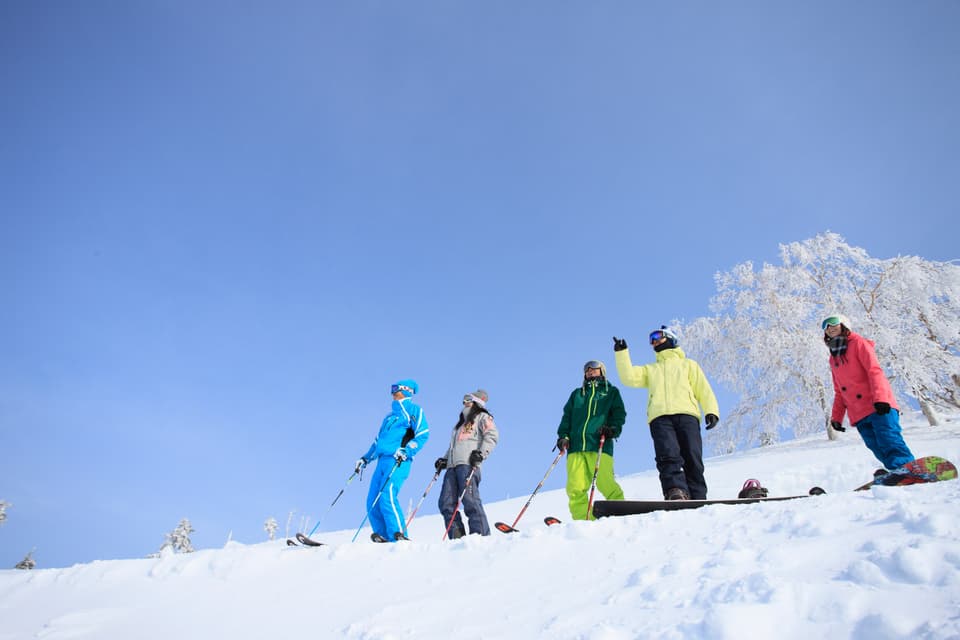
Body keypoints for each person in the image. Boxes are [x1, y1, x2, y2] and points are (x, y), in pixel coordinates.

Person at [613, 328, 719, 501]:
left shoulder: (688, 364)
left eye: (656, 337)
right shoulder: (651, 369)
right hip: (660, 417)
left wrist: (711, 410)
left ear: (671, 338)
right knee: (668, 456)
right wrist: (621, 353)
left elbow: (703, 389)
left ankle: (698, 495)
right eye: (650, 339)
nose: (653, 341)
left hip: (687, 415)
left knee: (692, 456)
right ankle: (675, 491)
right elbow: (629, 377)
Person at [821, 314, 914, 472]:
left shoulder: (859, 343)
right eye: (826, 326)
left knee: (889, 439)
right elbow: (839, 390)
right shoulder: (834, 358)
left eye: (834, 323)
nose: (830, 327)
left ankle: (906, 468)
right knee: (875, 446)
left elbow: (874, 372)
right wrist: (836, 417)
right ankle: (896, 472)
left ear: (844, 325)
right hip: (859, 413)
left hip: (878, 405)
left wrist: (881, 399)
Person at [355, 379, 429, 542]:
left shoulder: (413, 410)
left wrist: (408, 450)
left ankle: (398, 534)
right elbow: (378, 442)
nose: (393, 393)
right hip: (382, 461)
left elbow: (423, 433)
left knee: (387, 494)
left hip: (398, 460)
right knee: (372, 501)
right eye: (392, 390)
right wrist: (365, 459)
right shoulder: (388, 417)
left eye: (396, 389)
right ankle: (384, 536)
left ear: (406, 391)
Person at [556, 360, 626, 520]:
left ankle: (622, 513)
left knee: (605, 482)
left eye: (593, 367)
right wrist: (563, 436)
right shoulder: (577, 394)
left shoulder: (611, 392)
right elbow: (567, 417)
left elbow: (619, 414)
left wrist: (613, 430)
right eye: (586, 368)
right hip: (576, 447)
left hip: (599, 444)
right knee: (575, 487)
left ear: (602, 371)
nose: (589, 370)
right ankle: (584, 519)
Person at [435, 389, 499, 537]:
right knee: (446, 502)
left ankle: (481, 535)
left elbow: (492, 435)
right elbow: (455, 446)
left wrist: (481, 454)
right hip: (452, 466)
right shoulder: (460, 426)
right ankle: (457, 536)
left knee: (470, 500)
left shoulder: (482, 417)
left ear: (477, 402)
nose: (464, 402)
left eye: (468, 399)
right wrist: (444, 459)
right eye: (463, 399)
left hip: (468, 464)